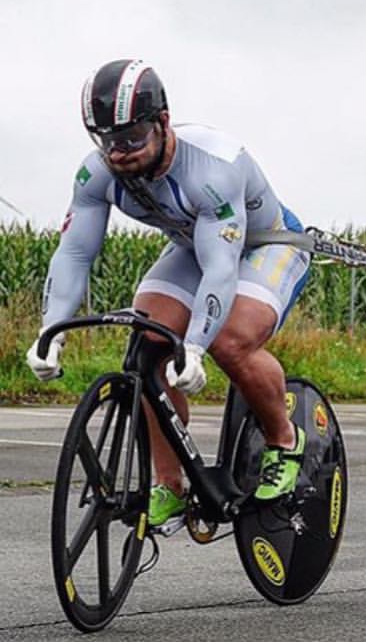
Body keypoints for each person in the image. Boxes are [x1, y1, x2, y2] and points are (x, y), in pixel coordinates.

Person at [26, 59, 312, 527]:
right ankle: (170, 484)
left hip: (265, 246)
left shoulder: (213, 168)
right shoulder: (96, 174)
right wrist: (50, 330)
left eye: (132, 138)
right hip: (191, 245)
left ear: (163, 121)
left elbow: (221, 267)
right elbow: (75, 253)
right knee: (146, 345)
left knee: (230, 342)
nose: (118, 153)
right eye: (106, 140)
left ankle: (284, 440)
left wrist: (196, 346)